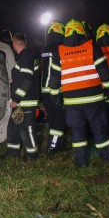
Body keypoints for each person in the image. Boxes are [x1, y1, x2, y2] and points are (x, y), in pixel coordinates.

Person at [47, 19, 109, 167]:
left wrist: (55, 95)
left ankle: (81, 162)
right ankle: (108, 159)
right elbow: (104, 71)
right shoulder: (92, 46)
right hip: (94, 99)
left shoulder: (59, 51)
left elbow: (54, 79)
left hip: (72, 102)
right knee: (99, 129)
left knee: (77, 132)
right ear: (81, 31)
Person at [0, 33, 41, 160]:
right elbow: (24, 77)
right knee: (13, 127)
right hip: (21, 103)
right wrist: (15, 80)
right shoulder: (26, 56)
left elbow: (27, 80)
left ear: (14, 43)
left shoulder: (26, 57)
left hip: (25, 102)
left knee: (26, 129)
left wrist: (16, 99)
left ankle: (32, 155)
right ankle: (12, 152)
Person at [40, 21, 67, 153]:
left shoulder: (45, 48)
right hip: (56, 89)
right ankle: (53, 146)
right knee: (59, 119)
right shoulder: (60, 48)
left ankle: (58, 144)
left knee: (53, 119)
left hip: (44, 90)